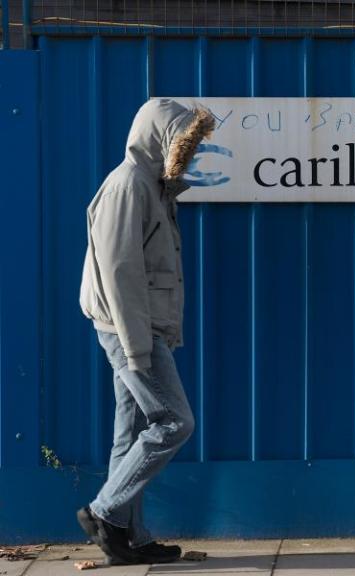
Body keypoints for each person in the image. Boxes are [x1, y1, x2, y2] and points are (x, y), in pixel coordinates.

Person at [77, 99, 214, 565]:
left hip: (140, 325)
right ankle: (104, 511)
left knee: (131, 429)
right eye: (182, 143)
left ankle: (127, 539)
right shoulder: (127, 187)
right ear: (160, 140)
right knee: (174, 421)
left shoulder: (152, 187)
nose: (188, 153)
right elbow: (119, 273)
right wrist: (138, 347)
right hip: (129, 329)